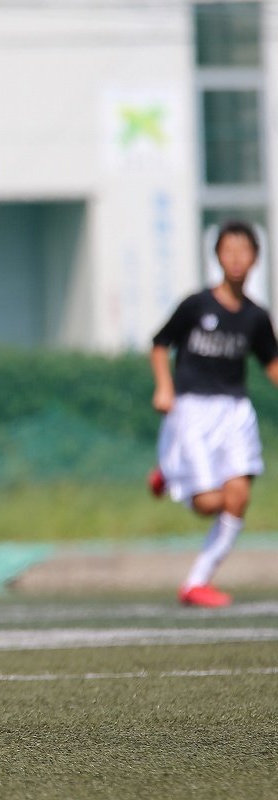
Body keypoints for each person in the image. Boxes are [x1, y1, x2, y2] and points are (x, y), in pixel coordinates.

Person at [150, 219, 278, 609]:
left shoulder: (256, 316)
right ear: (218, 256)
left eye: (245, 250)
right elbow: (160, 344)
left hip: (235, 411)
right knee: (209, 504)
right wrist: (164, 386)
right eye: (229, 250)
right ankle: (168, 471)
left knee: (238, 498)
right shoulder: (196, 305)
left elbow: (271, 364)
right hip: (193, 410)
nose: (237, 258)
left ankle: (197, 582)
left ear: (255, 258)